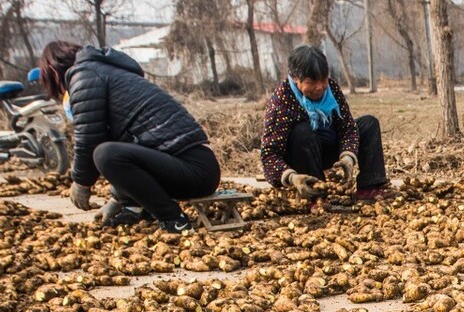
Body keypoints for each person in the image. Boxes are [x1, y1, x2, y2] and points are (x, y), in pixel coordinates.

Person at [37, 41, 220, 232]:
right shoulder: (104, 72)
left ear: (53, 72)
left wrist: (81, 182)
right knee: (110, 150)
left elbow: (89, 138)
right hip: (194, 168)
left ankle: (174, 219)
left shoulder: (84, 75)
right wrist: (119, 199)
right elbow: (132, 148)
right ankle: (138, 210)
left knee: (105, 153)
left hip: (194, 170)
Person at [260, 45, 389, 201]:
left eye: (323, 80)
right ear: (295, 77)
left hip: (327, 148)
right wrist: (292, 177)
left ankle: (369, 188)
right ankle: (315, 194)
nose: (319, 87)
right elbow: (269, 154)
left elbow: (347, 128)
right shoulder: (282, 100)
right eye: (311, 82)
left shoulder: (332, 89)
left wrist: (348, 157)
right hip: (301, 155)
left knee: (369, 123)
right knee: (302, 131)